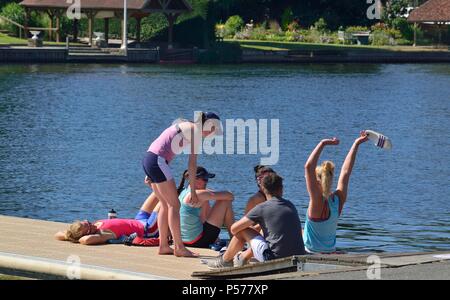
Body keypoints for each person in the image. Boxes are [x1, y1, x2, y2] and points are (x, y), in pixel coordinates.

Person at [142, 111, 222, 257]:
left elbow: (163, 145)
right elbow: (192, 165)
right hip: (157, 161)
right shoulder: (195, 131)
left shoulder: (187, 125)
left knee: (165, 205)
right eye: (212, 128)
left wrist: (149, 171)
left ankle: (163, 245)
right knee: (174, 205)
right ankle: (179, 247)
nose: (212, 133)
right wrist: (192, 191)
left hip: (150, 159)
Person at [207, 173, 306, 269]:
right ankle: (242, 258)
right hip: (298, 257)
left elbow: (234, 229)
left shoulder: (262, 208)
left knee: (243, 230)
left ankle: (225, 261)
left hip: (273, 259)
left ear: (263, 189)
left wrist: (255, 226)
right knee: (269, 234)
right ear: (281, 189)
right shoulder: (290, 205)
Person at [303, 131, 369, 253]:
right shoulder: (338, 199)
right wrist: (356, 143)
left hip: (311, 253)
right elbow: (345, 171)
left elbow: (308, 167)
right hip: (331, 251)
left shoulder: (316, 201)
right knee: (300, 230)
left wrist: (323, 143)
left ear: (317, 183)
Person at [55, 193, 160, 245]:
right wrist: (78, 239)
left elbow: (57, 234)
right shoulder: (104, 234)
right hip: (148, 229)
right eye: (87, 226)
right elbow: (86, 240)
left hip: (139, 220)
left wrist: (70, 236)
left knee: (158, 188)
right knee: (166, 197)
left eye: (85, 222)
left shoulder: (96, 225)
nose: (88, 222)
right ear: (88, 233)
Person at [177, 166, 235, 248]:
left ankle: (220, 238)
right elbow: (230, 196)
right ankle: (234, 239)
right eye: (205, 179)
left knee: (208, 200)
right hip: (198, 242)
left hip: (185, 241)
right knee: (225, 201)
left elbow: (203, 218)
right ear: (195, 180)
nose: (206, 182)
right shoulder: (199, 194)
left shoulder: (184, 191)